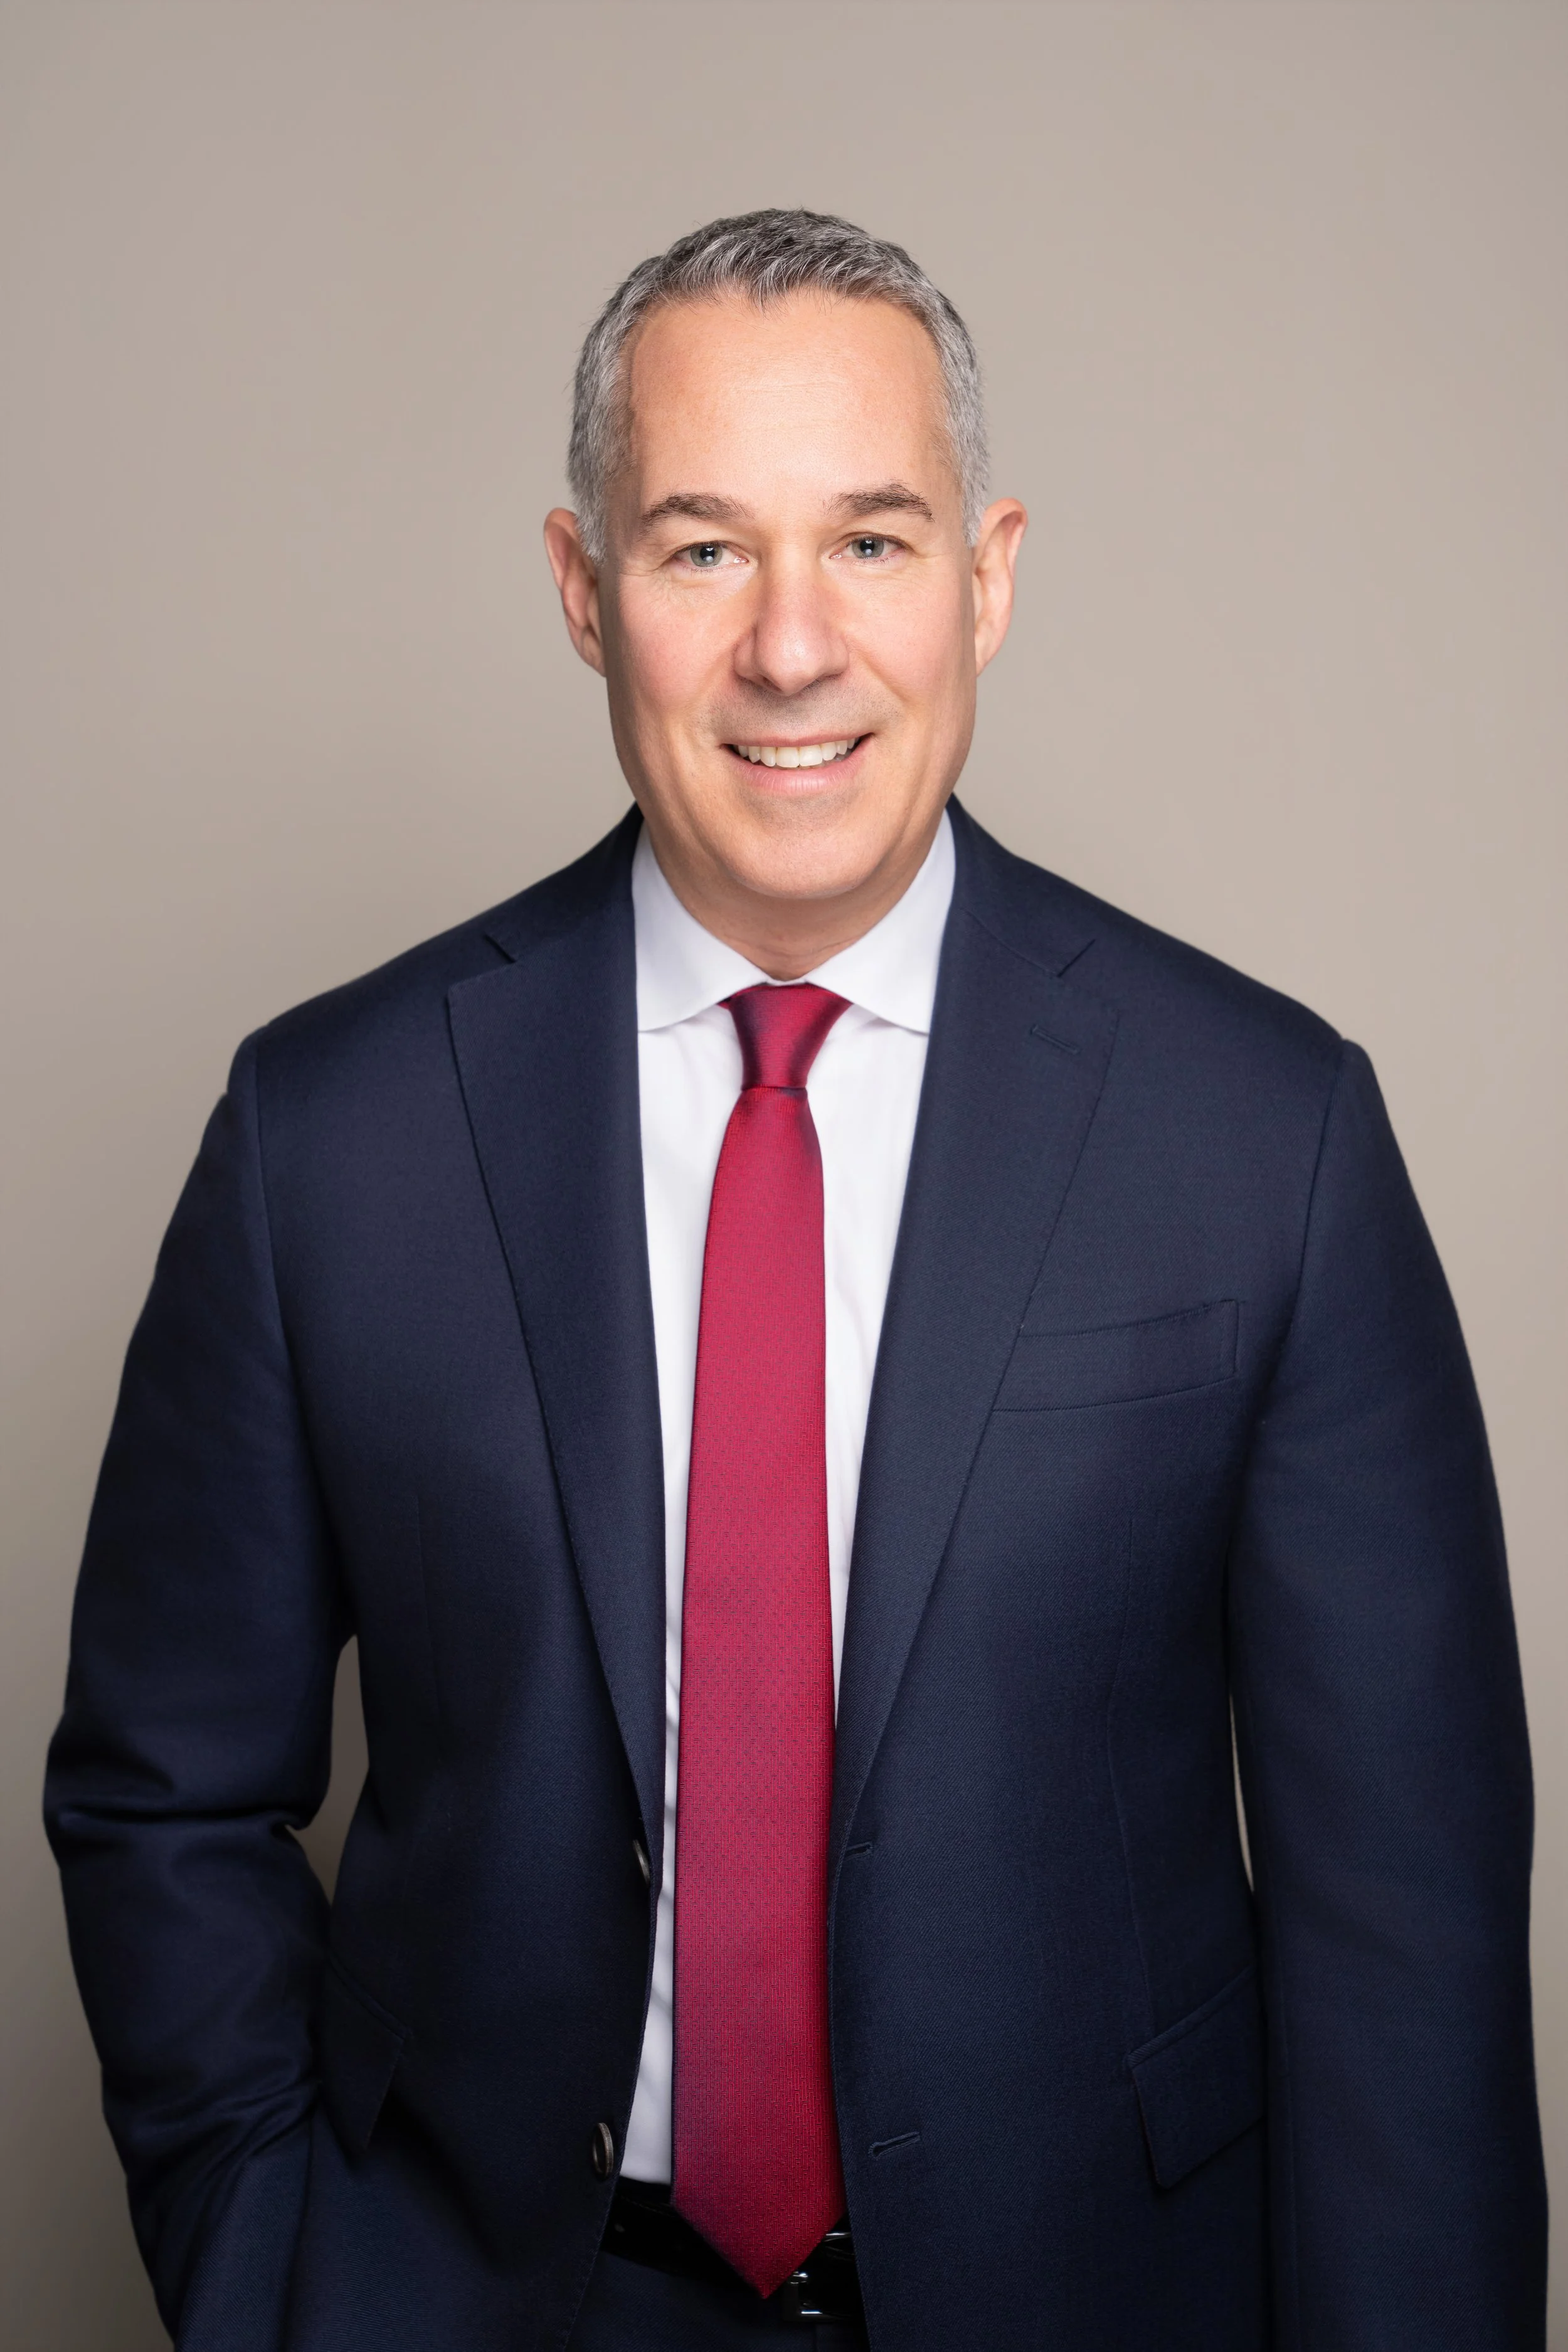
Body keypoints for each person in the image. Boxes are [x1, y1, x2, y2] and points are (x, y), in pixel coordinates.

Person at [46, 208, 1545, 2352]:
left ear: (989, 572)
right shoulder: (331, 1139)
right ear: (583, 592)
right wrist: (283, 2277)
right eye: (697, 550)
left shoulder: (1264, 1138)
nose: (790, 647)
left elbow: (1399, 1930)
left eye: (869, 540)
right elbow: (159, 1792)